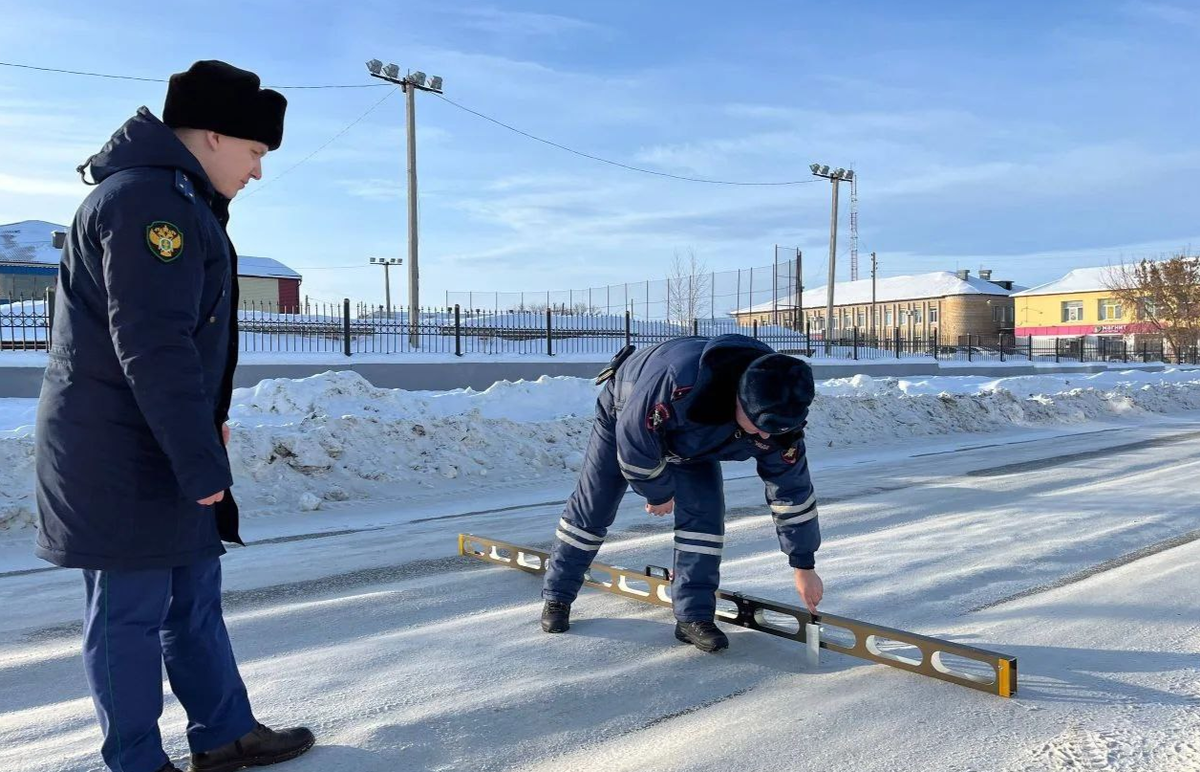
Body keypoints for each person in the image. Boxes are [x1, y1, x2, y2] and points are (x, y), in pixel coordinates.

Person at [34, 60, 314, 772]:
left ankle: (223, 735)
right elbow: (154, 346)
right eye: (255, 153)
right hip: (119, 454)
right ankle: (135, 761)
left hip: (159, 440)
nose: (257, 172)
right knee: (130, 615)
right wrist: (196, 456)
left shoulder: (177, 198)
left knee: (193, 594)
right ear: (214, 136)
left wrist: (200, 439)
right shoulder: (148, 206)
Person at [540, 334, 824, 652]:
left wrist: (804, 564)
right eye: (758, 424)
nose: (764, 434)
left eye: (776, 428)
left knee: (705, 516)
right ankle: (557, 596)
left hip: (696, 435)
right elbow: (635, 452)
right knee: (595, 503)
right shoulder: (676, 382)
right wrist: (658, 493)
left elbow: (792, 492)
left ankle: (694, 617)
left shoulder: (780, 414)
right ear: (740, 398)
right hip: (627, 409)